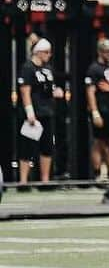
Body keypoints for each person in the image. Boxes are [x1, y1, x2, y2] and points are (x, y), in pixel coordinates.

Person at [16, 37, 63, 187]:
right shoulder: (28, 68)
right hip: (33, 114)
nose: (49, 55)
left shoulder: (48, 69)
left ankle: (45, 180)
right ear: (39, 52)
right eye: (47, 52)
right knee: (26, 147)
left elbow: (50, 87)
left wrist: (57, 92)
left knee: (47, 146)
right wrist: (29, 112)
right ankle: (23, 181)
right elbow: (25, 91)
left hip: (47, 112)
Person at [85, 38, 109, 179]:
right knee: (100, 142)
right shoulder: (94, 69)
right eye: (107, 51)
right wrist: (95, 112)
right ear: (100, 52)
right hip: (102, 110)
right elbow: (90, 91)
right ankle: (97, 172)